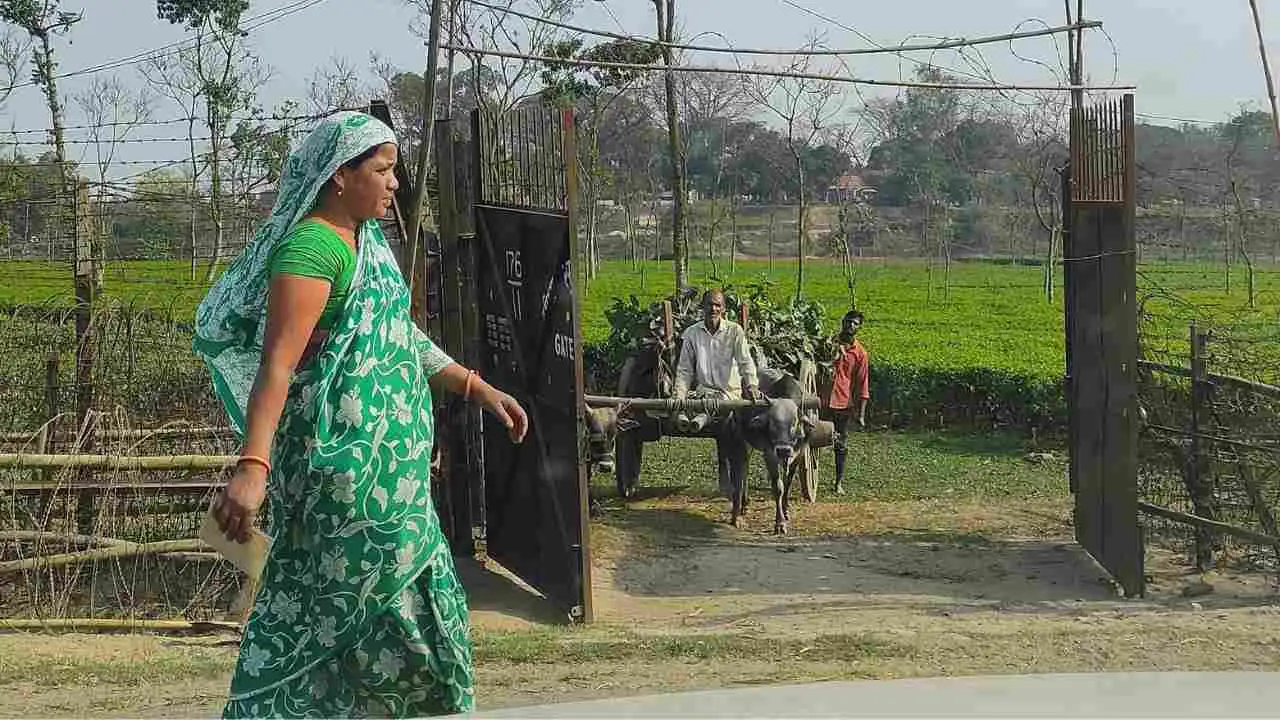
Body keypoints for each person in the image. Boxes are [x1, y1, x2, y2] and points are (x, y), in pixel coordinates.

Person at [193, 111, 529, 719]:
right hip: (340, 479)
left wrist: (476, 387)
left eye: (392, 169)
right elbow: (277, 367)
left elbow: (400, 337)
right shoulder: (313, 248)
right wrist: (252, 465)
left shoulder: (365, 242)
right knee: (352, 603)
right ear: (338, 177)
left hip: (386, 477)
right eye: (382, 170)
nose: (394, 183)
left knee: (371, 601)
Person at [672, 289, 761, 495]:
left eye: (717, 305)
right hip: (703, 394)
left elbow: (745, 361)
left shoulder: (734, 331)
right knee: (688, 408)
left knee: (719, 413)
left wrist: (752, 385)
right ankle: (692, 417)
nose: (713, 308)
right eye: (709, 304)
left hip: (729, 395)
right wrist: (679, 395)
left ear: (723, 309)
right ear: (702, 307)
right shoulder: (692, 333)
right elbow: (684, 369)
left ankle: (702, 418)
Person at [826, 309, 869, 495]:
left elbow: (862, 384)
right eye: (848, 321)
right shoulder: (828, 343)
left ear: (859, 328)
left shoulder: (860, 353)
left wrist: (861, 414)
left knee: (841, 444)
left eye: (855, 323)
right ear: (843, 321)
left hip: (843, 403)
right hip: (821, 399)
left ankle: (838, 482)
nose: (850, 325)